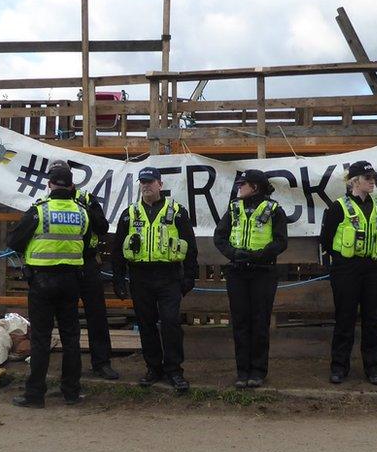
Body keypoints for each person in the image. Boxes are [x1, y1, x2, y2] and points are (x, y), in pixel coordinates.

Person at [7, 162, 92, 407]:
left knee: (41, 340)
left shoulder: (39, 211)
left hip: (42, 282)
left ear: (49, 185)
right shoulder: (81, 212)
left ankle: (35, 395)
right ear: (73, 186)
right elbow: (84, 243)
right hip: (70, 281)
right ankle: (71, 392)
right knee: (71, 338)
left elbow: (14, 240)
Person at [111, 167, 198, 393]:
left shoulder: (177, 211)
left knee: (170, 323)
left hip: (169, 276)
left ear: (160, 184)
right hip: (140, 277)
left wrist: (189, 276)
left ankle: (175, 371)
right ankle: (153, 368)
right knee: (146, 324)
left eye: (150, 182)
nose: (146, 186)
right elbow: (118, 248)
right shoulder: (129, 213)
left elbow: (190, 246)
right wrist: (118, 278)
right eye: (143, 182)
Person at [320, 161, 377, 385]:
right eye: (367, 178)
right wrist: (339, 264)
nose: (372, 181)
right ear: (354, 181)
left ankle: (374, 368)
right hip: (347, 269)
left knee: (373, 319)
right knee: (345, 318)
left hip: (375, 268)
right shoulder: (337, 207)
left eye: (373, 178)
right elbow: (326, 240)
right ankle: (339, 367)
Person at [214, 169, 288, 388]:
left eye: (242, 184)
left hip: (263, 273)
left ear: (255, 186)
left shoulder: (274, 210)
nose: (238, 187)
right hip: (237, 272)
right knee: (240, 322)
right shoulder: (233, 208)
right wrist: (233, 254)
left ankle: (258, 371)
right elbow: (220, 237)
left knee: (259, 322)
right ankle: (242, 371)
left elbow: (281, 241)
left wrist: (260, 254)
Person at [60, 161, 120, 381]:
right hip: (62, 266)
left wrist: (85, 210)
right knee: (66, 317)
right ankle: (69, 368)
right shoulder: (46, 202)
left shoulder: (85, 198)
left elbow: (103, 227)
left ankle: (101, 363)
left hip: (87, 263)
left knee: (97, 315)